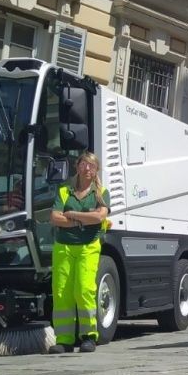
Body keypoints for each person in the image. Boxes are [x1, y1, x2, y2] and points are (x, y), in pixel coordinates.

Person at [48, 152, 110, 354]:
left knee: (84, 290)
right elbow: (55, 218)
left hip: (88, 247)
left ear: (96, 170)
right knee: (61, 293)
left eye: (91, 165)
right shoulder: (64, 191)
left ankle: (89, 336)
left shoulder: (101, 193)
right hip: (63, 247)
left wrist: (72, 215)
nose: (87, 168)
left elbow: (99, 217)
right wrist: (83, 220)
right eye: (84, 164)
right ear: (77, 166)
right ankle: (64, 340)